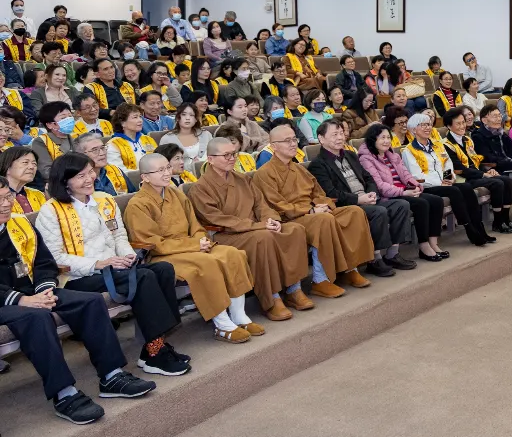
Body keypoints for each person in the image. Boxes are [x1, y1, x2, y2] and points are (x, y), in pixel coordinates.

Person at [0, 179, 155, 424]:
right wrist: (22, 299)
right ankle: (64, 393)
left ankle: (111, 375)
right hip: (6, 301)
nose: (6, 204)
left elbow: (44, 263)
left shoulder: (19, 224)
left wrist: (45, 290)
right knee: (37, 317)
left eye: (8, 197)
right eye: (0, 200)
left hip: (35, 291)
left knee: (90, 302)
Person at [36, 152, 190, 376]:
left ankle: (154, 347)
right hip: (78, 278)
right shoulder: (51, 211)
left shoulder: (104, 200)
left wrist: (128, 257)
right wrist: (99, 263)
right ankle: (156, 352)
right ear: (65, 181)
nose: (90, 179)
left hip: (114, 268)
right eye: (81, 176)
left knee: (164, 269)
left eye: (91, 172)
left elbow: (119, 237)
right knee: (144, 277)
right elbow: (55, 258)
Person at [125, 153, 259, 344]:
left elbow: (194, 225)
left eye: (167, 168)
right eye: (160, 170)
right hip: (165, 255)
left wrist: (200, 240)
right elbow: (152, 243)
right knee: (207, 264)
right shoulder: (137, 204)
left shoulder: (176, 193)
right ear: (144, 177)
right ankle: (222, 324)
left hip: (192, 246)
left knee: (232, 254)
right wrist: (194, 245)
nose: (166, 173)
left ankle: (238, 316)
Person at [190, 136, 310, 319]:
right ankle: (271, 298)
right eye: (226, 155)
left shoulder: (242, 179)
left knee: (295, 229)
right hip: (226, 235)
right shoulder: (200, 188)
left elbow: (260, 205)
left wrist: (272, 219)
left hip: (256, 227)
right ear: (211, 159)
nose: (232, 158)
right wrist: (259, 226)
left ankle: (294, 289)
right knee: (264, 238)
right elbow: (219, 220)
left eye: (234, 154)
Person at [253, 122, 375, 295]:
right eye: (287, 141)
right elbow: (275, 205)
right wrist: (310, 211)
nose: (293, 144)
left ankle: (350, 269)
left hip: (313, 211)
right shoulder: (264, 173)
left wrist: (322, 205)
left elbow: (318, 192)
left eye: (294, 139)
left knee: (354, 212)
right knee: (323, 220)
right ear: (273, 146)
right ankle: (320, 279)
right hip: (292, 217)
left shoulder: (299, 168)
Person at [309, 120, 415, 275]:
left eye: (341, 133)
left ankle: (392, 254)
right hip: (348, 206)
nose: (340, 137)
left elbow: (369, 178)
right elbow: (330, 193)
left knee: (401, 205)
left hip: (367, 199)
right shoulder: (318, 164)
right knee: (379, 212)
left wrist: (371, 193)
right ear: (321, 138)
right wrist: (358, 200)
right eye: (334, 134)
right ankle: (374, 259)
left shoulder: (351, 155)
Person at [358, 124, 450, 262]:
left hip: (404, 191)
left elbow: (406, 175)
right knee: (421, 204)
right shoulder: (366, 159)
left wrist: (416, 185)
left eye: (388, 137)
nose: (386, 141)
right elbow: (380, 186)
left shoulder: (392, 155)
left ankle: (433, 243)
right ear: (373, 140)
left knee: (436, 201)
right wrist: (404, 192)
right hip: (388, 196)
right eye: (382, 138)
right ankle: (423, 246)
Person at [401, 113, 494, 246]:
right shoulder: (408, 151)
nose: (428, 128)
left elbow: (447, 164)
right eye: (423, 125)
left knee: (466, 188)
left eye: (429, 124)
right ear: (414, 129)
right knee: (455, 191)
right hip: (428, 186)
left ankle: (479, 227)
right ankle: (470, 229)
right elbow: (416, 175)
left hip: (445, 183)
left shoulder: (437, 145)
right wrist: (440, 182)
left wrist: (448, 179)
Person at [442, 107, 512, 234]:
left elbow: (476, 161)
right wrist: (483, 174)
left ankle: (505, 219)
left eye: (463, 122)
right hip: (464, 179)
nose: (462, 126)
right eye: (458, 124)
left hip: (476, 175)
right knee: (497, 183)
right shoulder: (445, 144)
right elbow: (459, 168)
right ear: (449, 126)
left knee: (505, 180)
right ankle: (498, 221)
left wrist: (489, 170)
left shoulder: (467, 140)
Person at [106, 103, 158, 173]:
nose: (140, 120)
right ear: (122, 123)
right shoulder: (113, 145)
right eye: (135, 117)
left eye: (140, 116)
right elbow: (119, 172)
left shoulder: (147, 139)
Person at [161, 103, 212, 175]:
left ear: (196, 119)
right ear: (178, 118)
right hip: (180, 176)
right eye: (184, 114)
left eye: (191, 115)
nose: (187, 118)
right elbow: (164, 164)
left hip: (207, 173)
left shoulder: (206, 134)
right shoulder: (167, 139)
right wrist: (191, 166)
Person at [31, 102, 77, 181]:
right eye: (63, 118)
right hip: (57, 183)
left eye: (70, 116)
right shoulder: (41, 141)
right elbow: (46, 172)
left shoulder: (76, 138)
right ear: (50, 124)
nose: (69, 120)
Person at [0, 146, 48, 214]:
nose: (32, 167)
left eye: (34, 164)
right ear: (7, 166)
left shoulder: (38, 195)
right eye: (25, 162)